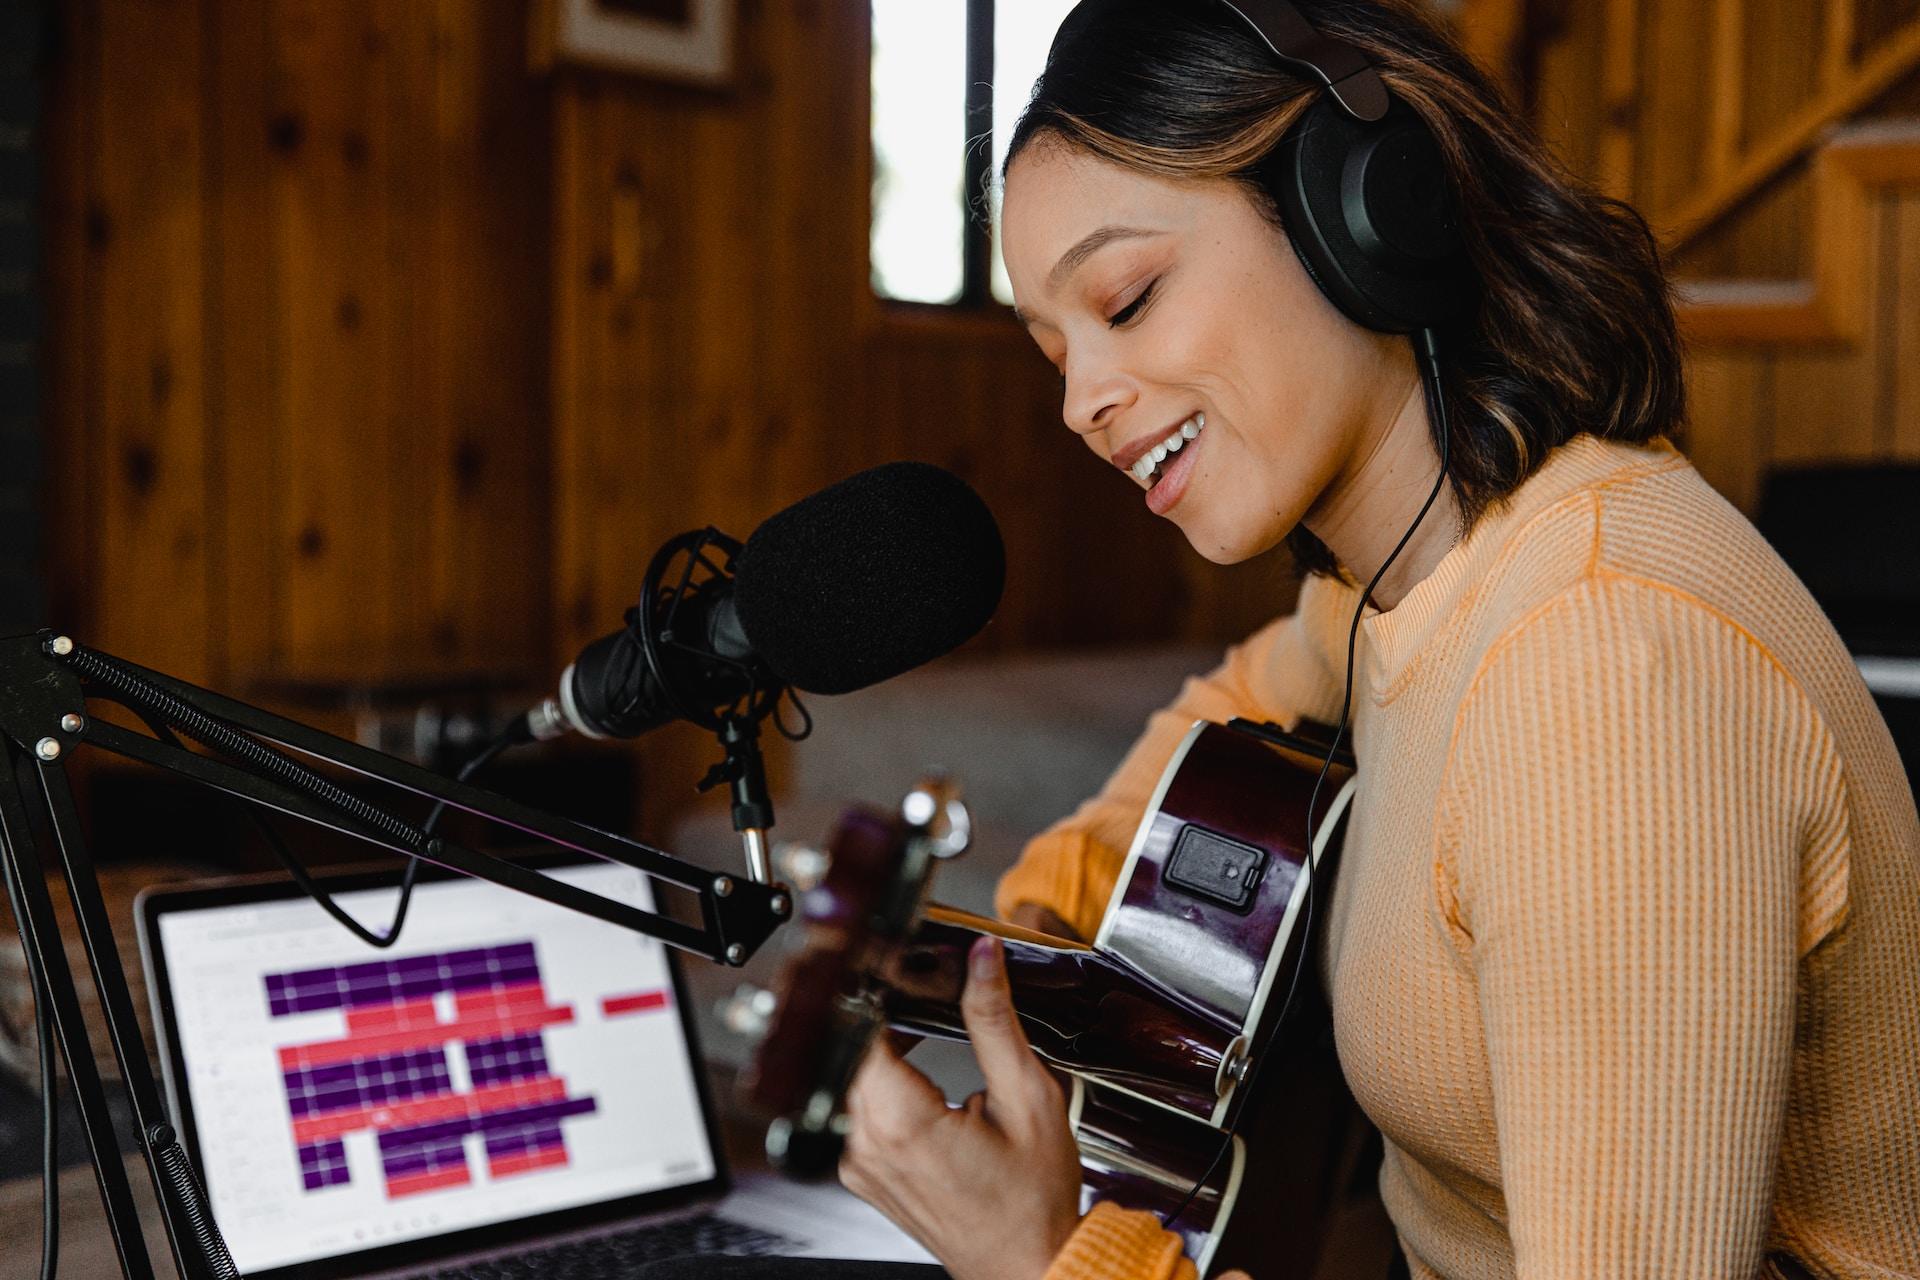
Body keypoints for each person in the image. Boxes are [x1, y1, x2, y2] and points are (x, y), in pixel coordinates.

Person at [824, 2, 1920, 1279]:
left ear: (1363, 210)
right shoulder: (1402, 584)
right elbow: (1238, 697)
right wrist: (1037, 918)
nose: (1081, 403)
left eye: (1126, 299)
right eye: (1054, 350)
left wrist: (1039, 1254)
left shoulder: (1604, 661)